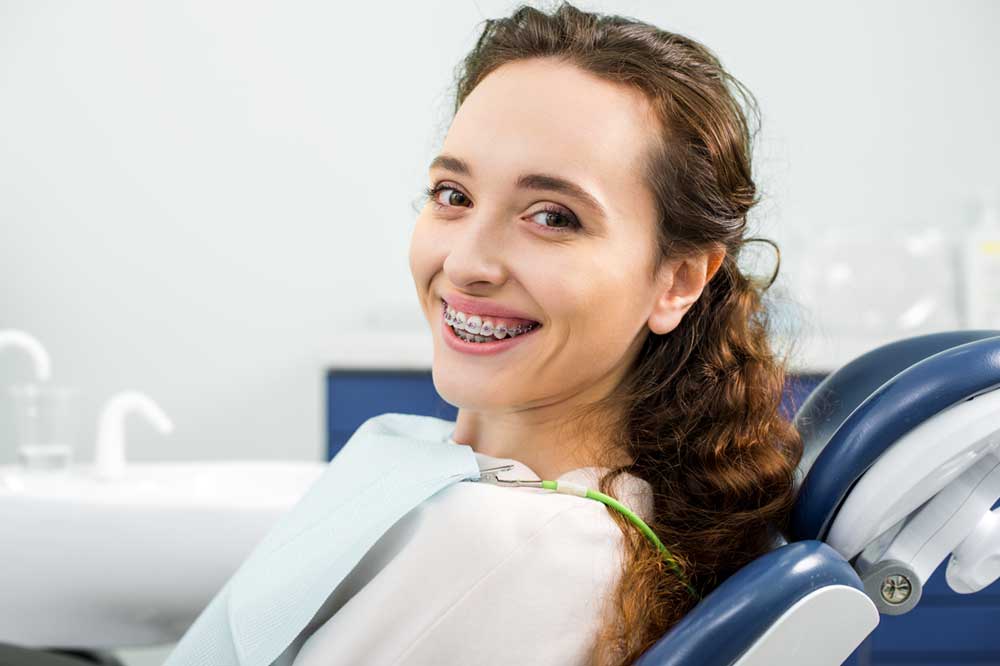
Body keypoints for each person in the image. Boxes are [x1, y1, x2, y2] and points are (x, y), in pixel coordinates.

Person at [1, 2, 803, 665]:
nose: (467, 261)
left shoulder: (514, 545)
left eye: (551, 216)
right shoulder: (489, 489)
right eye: (452, 193)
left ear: (678, 279)